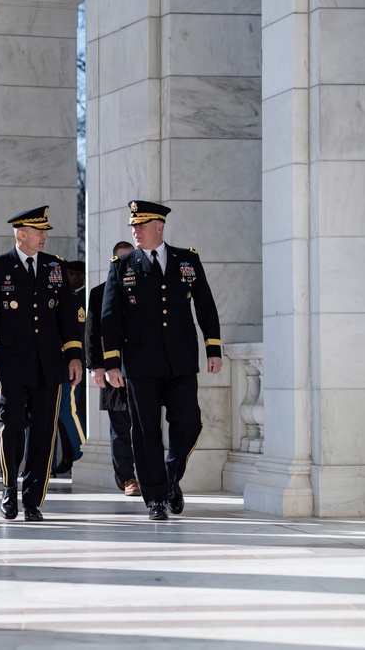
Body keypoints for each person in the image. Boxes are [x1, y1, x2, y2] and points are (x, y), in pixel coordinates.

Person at [101, 200, 222, 521]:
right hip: (139, 363)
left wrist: (213, 348)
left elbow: (205, 304)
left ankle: (170, 477)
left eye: (141, 225)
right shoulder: (122, 266)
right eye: (132, 226)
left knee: (188, 421)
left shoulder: (187, 260)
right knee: (145, 432)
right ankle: (155, 497)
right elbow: (110, 317)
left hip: (180, 359)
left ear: (159, 226)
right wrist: (111, 362)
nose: (135, 231)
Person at [0, 205, 83, 521]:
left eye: (45, 231)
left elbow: (67, 316)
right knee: (12, 430)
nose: (45, 236)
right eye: (39, 231)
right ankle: (10, 489)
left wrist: (74, 356)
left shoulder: (55, 266)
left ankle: (33, 498)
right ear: (21, 234)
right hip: (12, 365)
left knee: (43, 432)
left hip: (49, 365)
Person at [85, 241, 139, 496]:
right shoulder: (98, 293)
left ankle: (147, 473)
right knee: (119, 426)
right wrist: (96, 366)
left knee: (143, 424)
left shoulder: (145, 289)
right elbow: (92, 332)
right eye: (122, 261)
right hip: (111, 368)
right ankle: (127, 477)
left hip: (141, 368)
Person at [54, 259, 86, 474]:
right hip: (54, 364)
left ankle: (83, 453)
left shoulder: (81, 299)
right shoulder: (62, 297)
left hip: (71, 364)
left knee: (69, 411)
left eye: (69, 274)